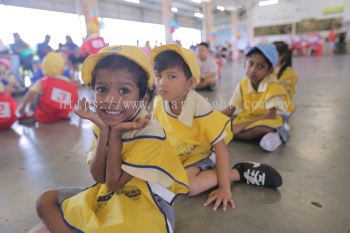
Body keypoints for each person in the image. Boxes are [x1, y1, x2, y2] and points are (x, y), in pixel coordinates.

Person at [33, 45, 189, 233]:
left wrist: (115, 136)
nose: (110, 99)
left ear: (143, 97)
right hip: (108, 193)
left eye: (124, 91)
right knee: (45, 200)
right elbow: (100, 177)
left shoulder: (150, 131)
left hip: (146, 201)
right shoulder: (102, 123)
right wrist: (105, 132)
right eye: (102, 89)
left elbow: (114, 182)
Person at [151, 44, 283, 212]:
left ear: (190, 82)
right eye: (158, 75)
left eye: (171, 76)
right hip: (177, 151)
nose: (162, 82)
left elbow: (220, 148)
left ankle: (239, 172)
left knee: (188, 187)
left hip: (200, 152)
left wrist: (224, 188)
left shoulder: (200, 109)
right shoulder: (158, 103)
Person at [222, 43, 295, 152]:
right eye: (250, 64)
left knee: (261, 129)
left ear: (270, 71)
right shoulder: (243, 83)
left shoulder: (273, 86)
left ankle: (278, 134)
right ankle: (237, 134)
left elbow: (270, 115)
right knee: (222, 123)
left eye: (260, 66)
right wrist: (210, 118)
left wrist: (241, 126)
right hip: (249, 117)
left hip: (269, 118)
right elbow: (230, 110)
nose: (252, 70)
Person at [17, 52, 78, 124]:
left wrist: (23, 107)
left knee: (36, 93)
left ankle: (32, 115)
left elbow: (30, 93)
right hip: (63, 115)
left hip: (45, 116)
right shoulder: (69, 82)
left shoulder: (43, 82)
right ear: (62, 67)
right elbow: (75, 97)